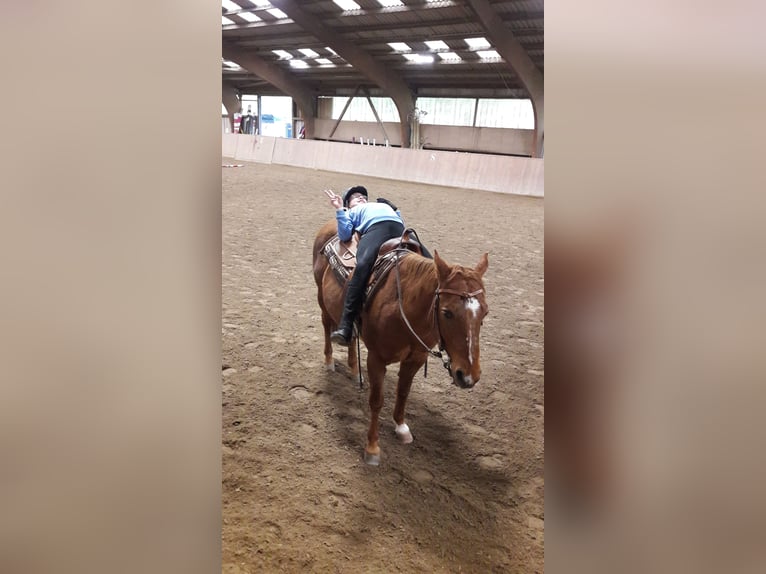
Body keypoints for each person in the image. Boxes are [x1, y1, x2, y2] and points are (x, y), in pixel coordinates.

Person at [323, 185, 431, 346]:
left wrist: (396, 211)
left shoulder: (381, 205)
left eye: (363, 196)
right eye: (355, 197)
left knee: (432, 266)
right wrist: (340, 209)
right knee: (363, 266)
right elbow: (345, 234)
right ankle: (346, 325)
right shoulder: (350, 212)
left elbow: (401, 221)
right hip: (375, 229)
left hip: (399, 229)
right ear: (349, 204)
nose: (361, 197)